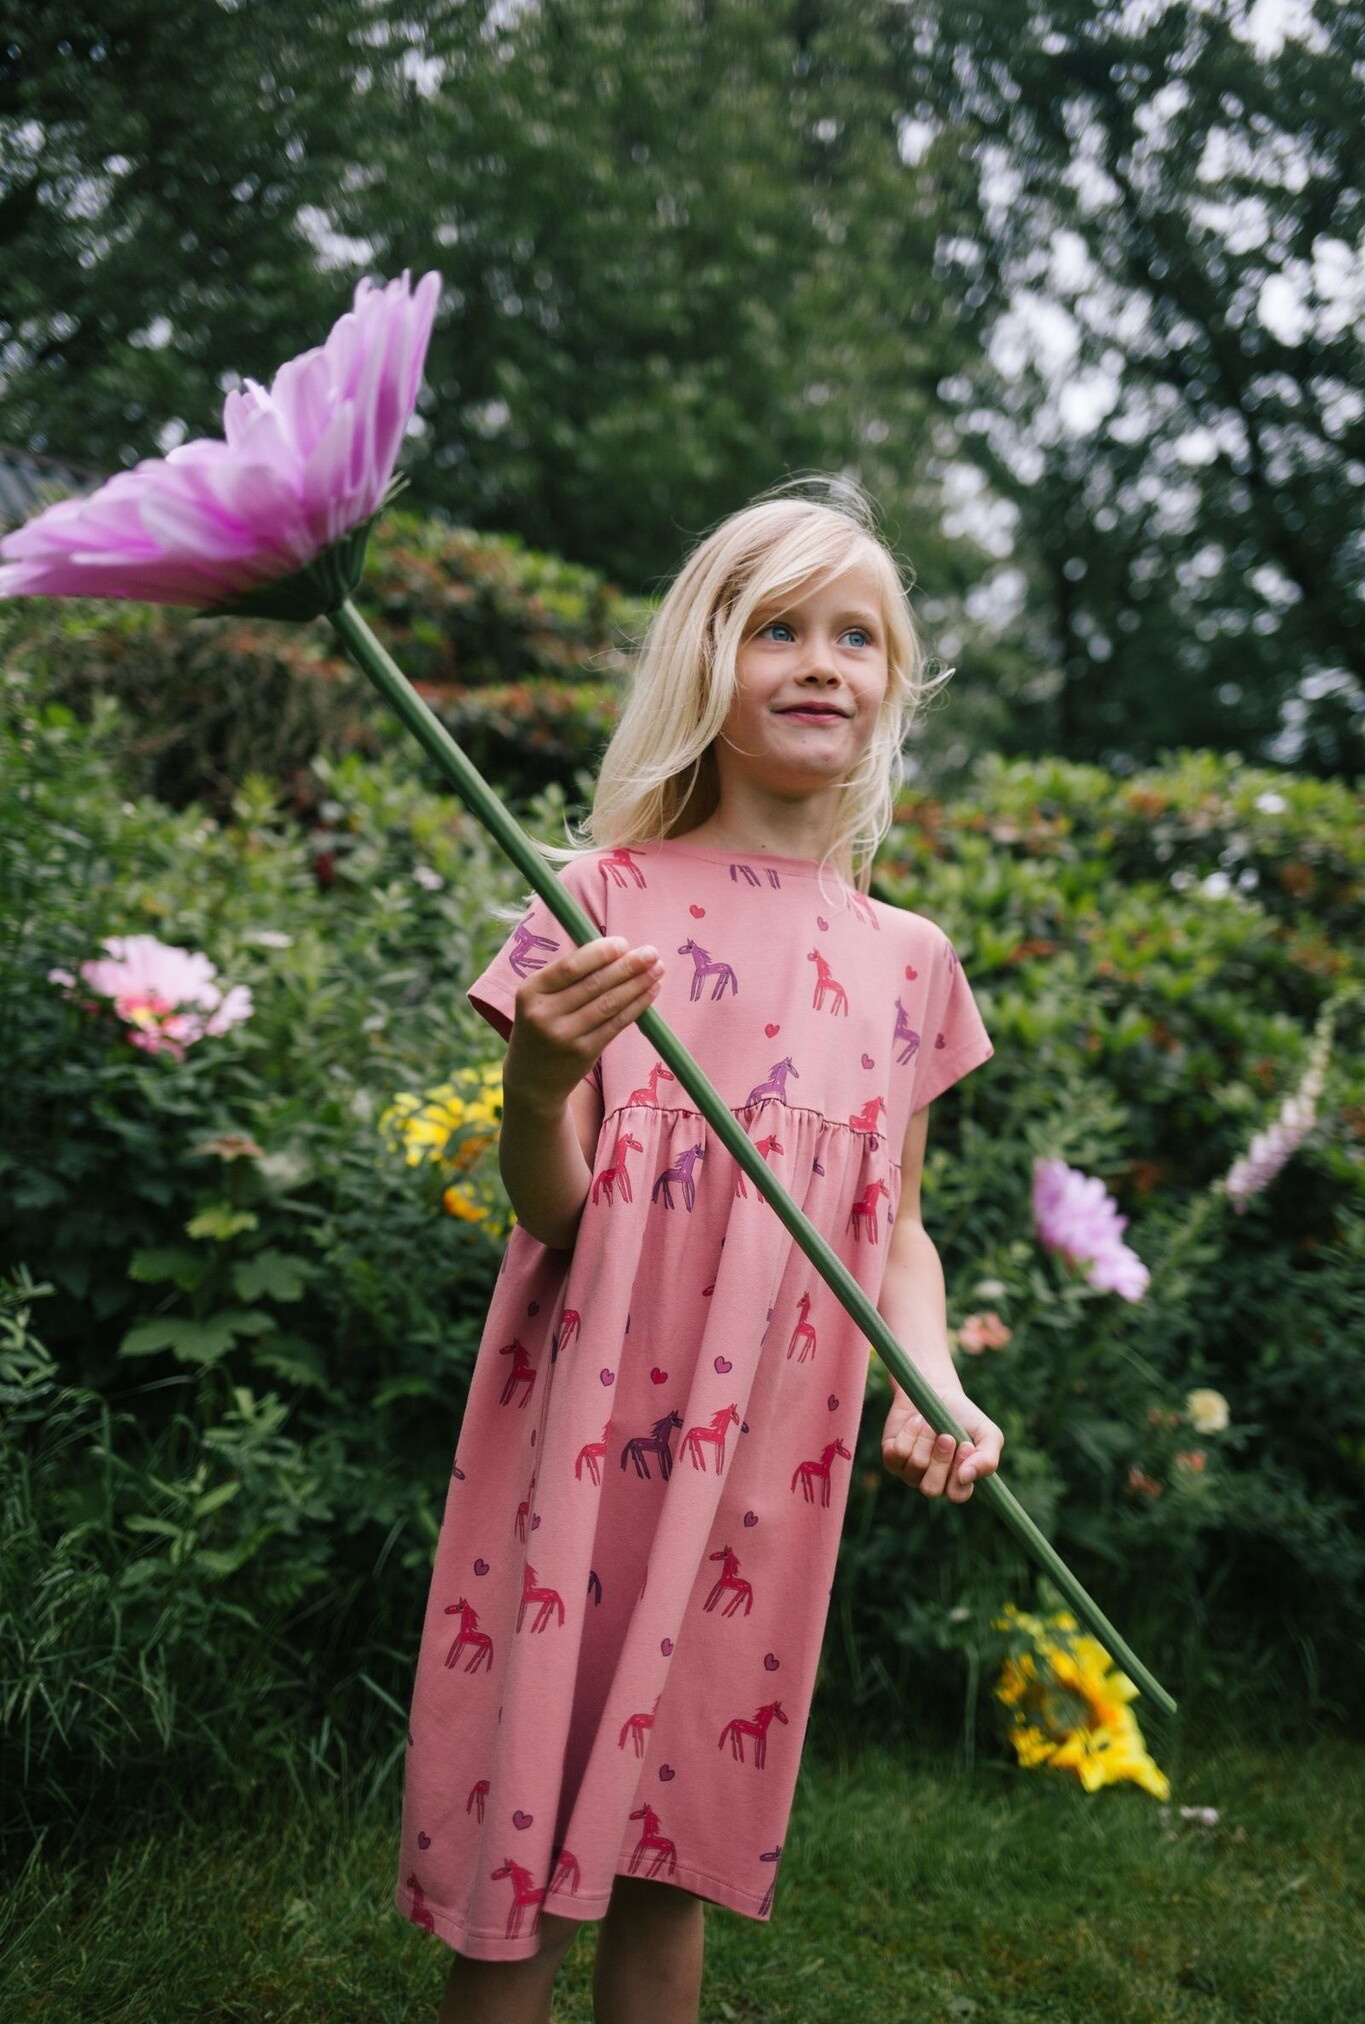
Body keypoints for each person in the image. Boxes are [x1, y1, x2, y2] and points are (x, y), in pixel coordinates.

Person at [394, 478, 1004, 2024]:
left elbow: (895, 1229)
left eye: (854, 636)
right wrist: (537, 1083)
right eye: (775, 629)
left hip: (766, 1465)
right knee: (524, 1857)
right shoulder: (598, 902)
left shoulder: (909, 962)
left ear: (893, 684)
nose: (820, 663)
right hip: (592, 1434)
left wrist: (930, 1381)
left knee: (668, 1846)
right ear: (704, 664)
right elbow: (554, 1209)